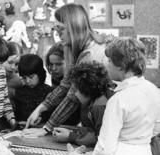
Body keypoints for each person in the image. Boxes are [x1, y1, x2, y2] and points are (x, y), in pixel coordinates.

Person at [85, 38, 160, 155]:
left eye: (110, 61)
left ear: (121, 66)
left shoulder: (118, 99)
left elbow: (105, 150)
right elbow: (156, 128)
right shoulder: (154, 91)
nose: (107, 65)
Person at [24, 3, 108, 136]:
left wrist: (46, 128)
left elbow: (73, 95)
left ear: (74, 27)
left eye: (61, 29)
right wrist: (40, 108)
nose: (57, 34)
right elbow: (66, 84)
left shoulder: (90, 54)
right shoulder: (76, 49)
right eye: (55, 29)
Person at [53, 61, 111, 147]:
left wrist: (71, 136)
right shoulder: (90, 101)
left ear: (87, 89)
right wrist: (72, 132)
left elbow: (100, 138)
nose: (75, 94)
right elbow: (90, 130)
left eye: (76, 90)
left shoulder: (100, 107)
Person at [13, 54, 53, 124]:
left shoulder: (49, 92)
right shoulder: (19, 92)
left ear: (40, 74)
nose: (28, 81)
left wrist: (41, 119)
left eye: (31, 77)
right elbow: (18, 116)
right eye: (24, 78)